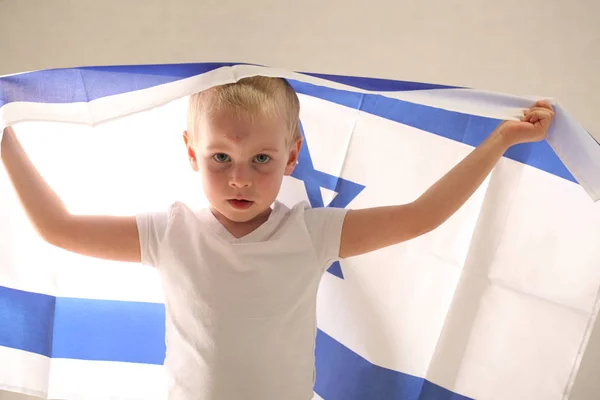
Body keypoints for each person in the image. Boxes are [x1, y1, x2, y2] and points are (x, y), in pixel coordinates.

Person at [0, 76, 555, 400]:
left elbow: (420, 217)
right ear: (192, 153)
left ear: (291, 157)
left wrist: (501, 139)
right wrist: (5, 139)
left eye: (261, 159)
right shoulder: (171, 233)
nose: (240, 177)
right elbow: (60, 228)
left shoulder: (311, 234)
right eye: (221, 158)